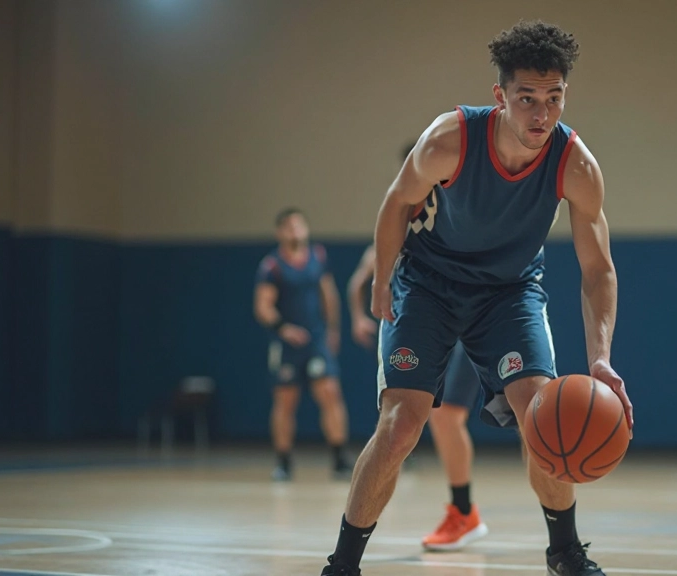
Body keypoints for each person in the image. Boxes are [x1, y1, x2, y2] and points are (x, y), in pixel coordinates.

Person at [321, 20, 633, 576]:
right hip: (428, 284)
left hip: (508, 292)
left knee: (544, 415)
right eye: (527, 98)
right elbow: (397, 202)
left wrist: (601, 358)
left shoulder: (577, 165)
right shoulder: (450, 140)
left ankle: (565, 552)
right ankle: (342, 565)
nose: (541, 115)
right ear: (500, 95)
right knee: (402, 424)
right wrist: (381, 279)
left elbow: (598, 269)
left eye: (554, 98)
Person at [349, 213, 488, 551]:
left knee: (528, 409)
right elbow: (358, 282)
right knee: (435, 417)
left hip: (474, 313)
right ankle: (463, 512)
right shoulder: (395, 230)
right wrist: (358, 317)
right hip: (425, 319)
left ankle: (559, 530)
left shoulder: (462, 213)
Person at [254, 207, 354, 481]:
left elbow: (329, 295)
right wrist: (283, 329)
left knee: (330, 392)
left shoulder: (318, 256)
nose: (295, 232)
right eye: (289, 227)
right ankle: (283, 462)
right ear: (279, 233)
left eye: (299, 226)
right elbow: (262, 307)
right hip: (286, 345)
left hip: (316, 340)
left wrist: (333, 330)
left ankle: (339, 458)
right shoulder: (272, 266)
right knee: (285, 401)